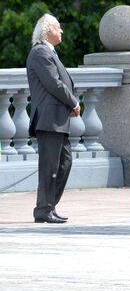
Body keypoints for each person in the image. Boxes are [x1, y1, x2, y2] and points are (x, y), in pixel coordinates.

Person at [26, 14, 80, 224]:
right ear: (47, 29)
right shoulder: (40, 52)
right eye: (58, 27)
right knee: (50, 167)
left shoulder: (49, 52)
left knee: (64, 163)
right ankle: (43, 210)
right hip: (49, 120)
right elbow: (54, 84)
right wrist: (73, 102)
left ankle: (49, 206)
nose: (61, 31)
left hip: (57, 120)